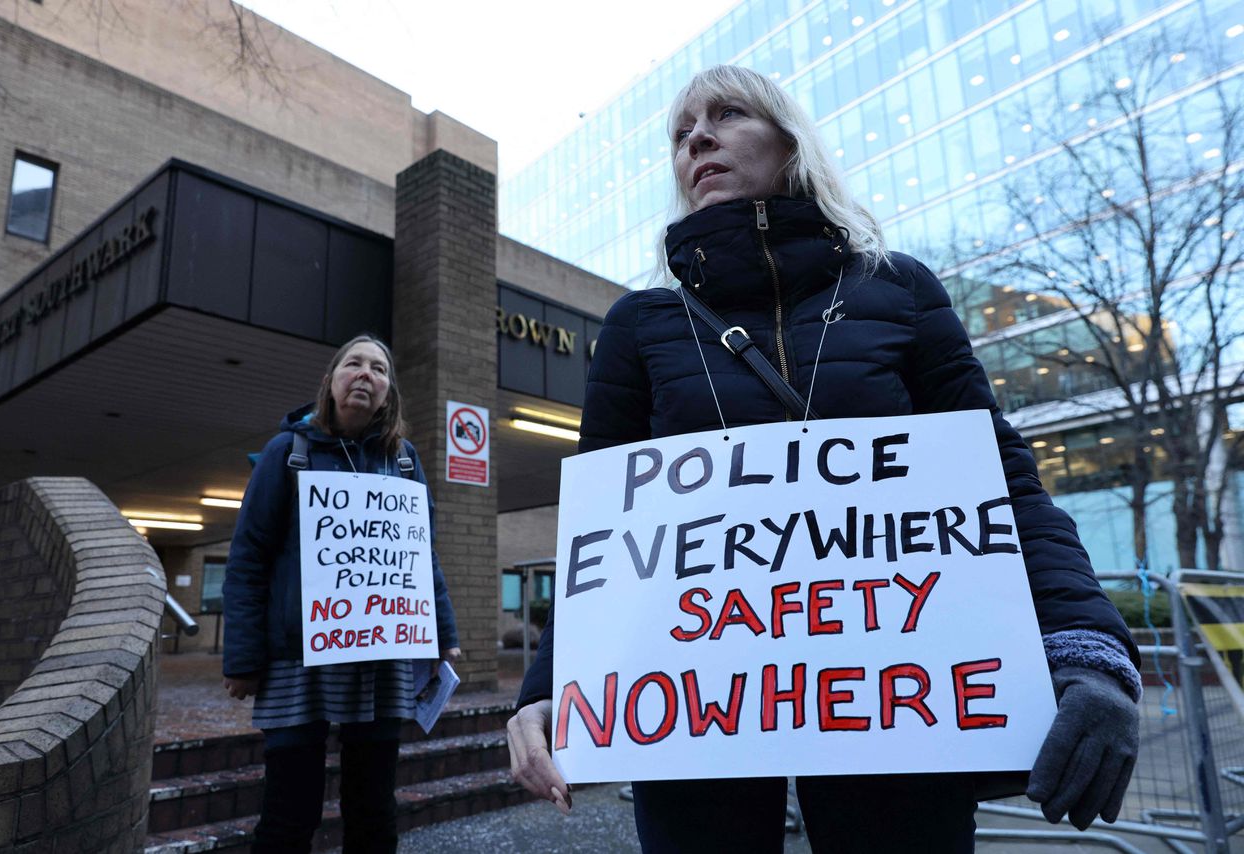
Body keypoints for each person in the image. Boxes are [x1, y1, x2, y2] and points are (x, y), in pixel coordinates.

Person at [507, 65, 1141, 853]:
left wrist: (1089, 649)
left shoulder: (900, 290)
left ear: (790, 139)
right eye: (681, 132)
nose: (696, 137)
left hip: (899, 705)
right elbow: (600, 539)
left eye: (727, 114)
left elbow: (1004, 484)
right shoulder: (640, 326)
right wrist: (547, 689)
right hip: (698, 712)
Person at [223, 334, 461, 854]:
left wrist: (442, 633)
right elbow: (249, 558)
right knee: (289, 813)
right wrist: (243, 658)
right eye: (353, 363)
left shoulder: (403, 460)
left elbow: (422, 554)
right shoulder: (286, 453)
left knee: (374, 810)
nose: (365, 374)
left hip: (380, 658)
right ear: (330, 382)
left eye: (378, 368)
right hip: (296, 662)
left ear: (388, 392)